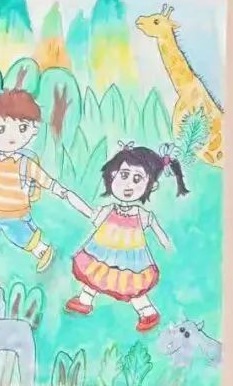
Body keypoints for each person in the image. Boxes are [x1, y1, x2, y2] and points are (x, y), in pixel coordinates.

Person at [0, 89, 91, 279]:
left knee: (22, 235)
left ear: (33, 130)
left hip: (15, 212)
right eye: (1, 129)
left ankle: (42, 251)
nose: (11, 137)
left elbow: (45, 180)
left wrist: (58, 189)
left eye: (22, 128)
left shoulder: (26, 164)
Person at [66, 142, 187, 331]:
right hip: (102, 253)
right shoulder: (109, 210)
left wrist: (170, 249)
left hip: (132, 260)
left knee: (132, 285)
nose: (128, 185)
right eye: (124, 175)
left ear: (152, 185)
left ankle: (147, 312)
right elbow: (88, 212)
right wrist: (69, 196)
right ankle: (85, 300)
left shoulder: (143, 216)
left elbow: (163, 238)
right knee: (96, 274)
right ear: (113, 175)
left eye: (137, 179)